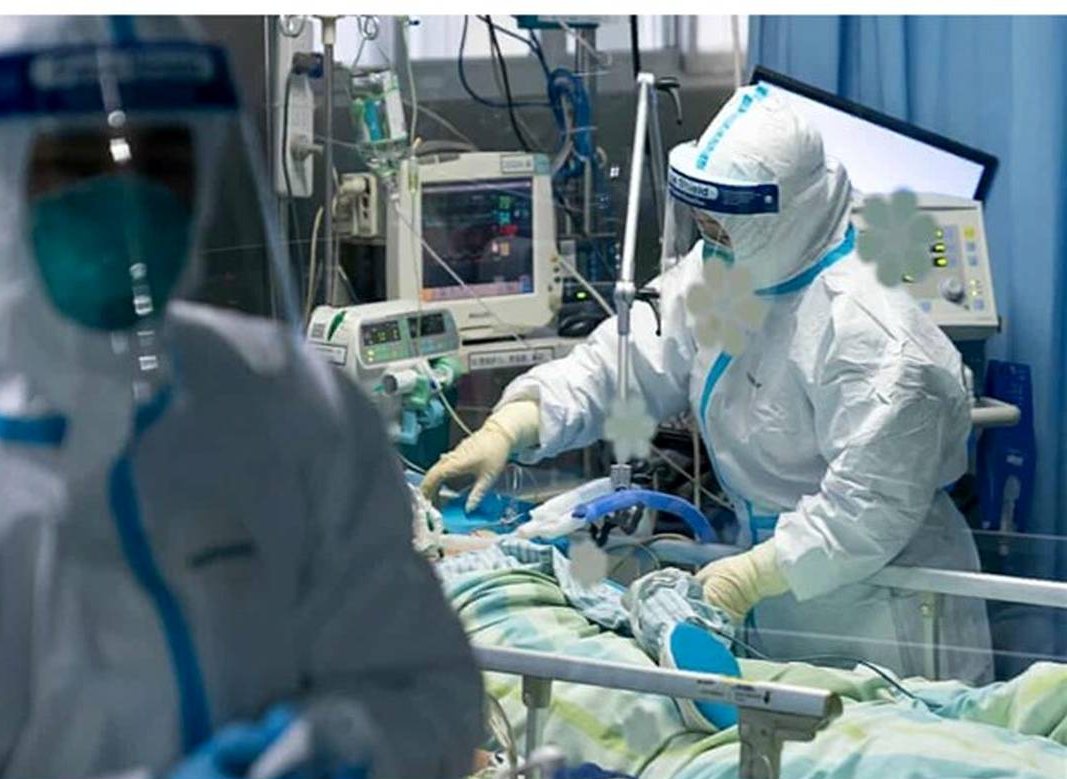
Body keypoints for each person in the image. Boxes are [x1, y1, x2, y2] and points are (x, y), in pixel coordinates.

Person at [0, 16, 482, 779]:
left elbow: (430, 686)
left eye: (164, 160)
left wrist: (345, 746)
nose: (131, 199)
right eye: (81, 161)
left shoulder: (292, 404)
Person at [422, 84, 992, 683]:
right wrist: (514, 422)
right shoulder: (732, 266)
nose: (708, 234)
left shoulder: (874, 336)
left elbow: (866, 510)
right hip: (777, 593)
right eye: (703, 220)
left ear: (782, 215)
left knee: (886, 732)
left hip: (884, 605)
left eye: (722, 224)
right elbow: (625, 365)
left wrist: (750, 577)